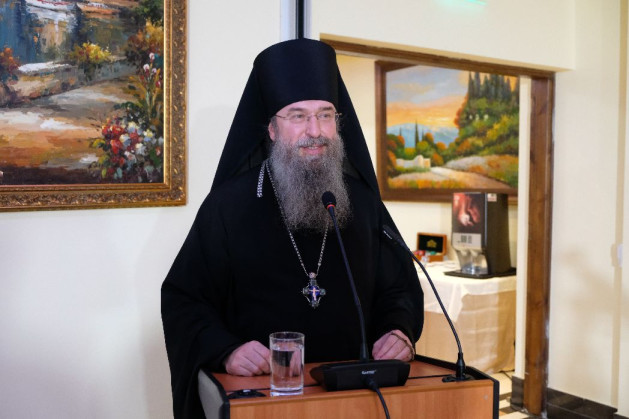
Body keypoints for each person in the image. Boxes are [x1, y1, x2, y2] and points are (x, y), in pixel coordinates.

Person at [161, 38, 424, 419]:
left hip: (357, 399)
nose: (315, 131)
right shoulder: (229, 206)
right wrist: (226, 350)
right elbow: (184, 298)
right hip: (264, 401)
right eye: (298, 116)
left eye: (325, 115)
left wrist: (399, 331)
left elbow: (399, 288)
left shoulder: (363, 203)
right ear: (271, 129)